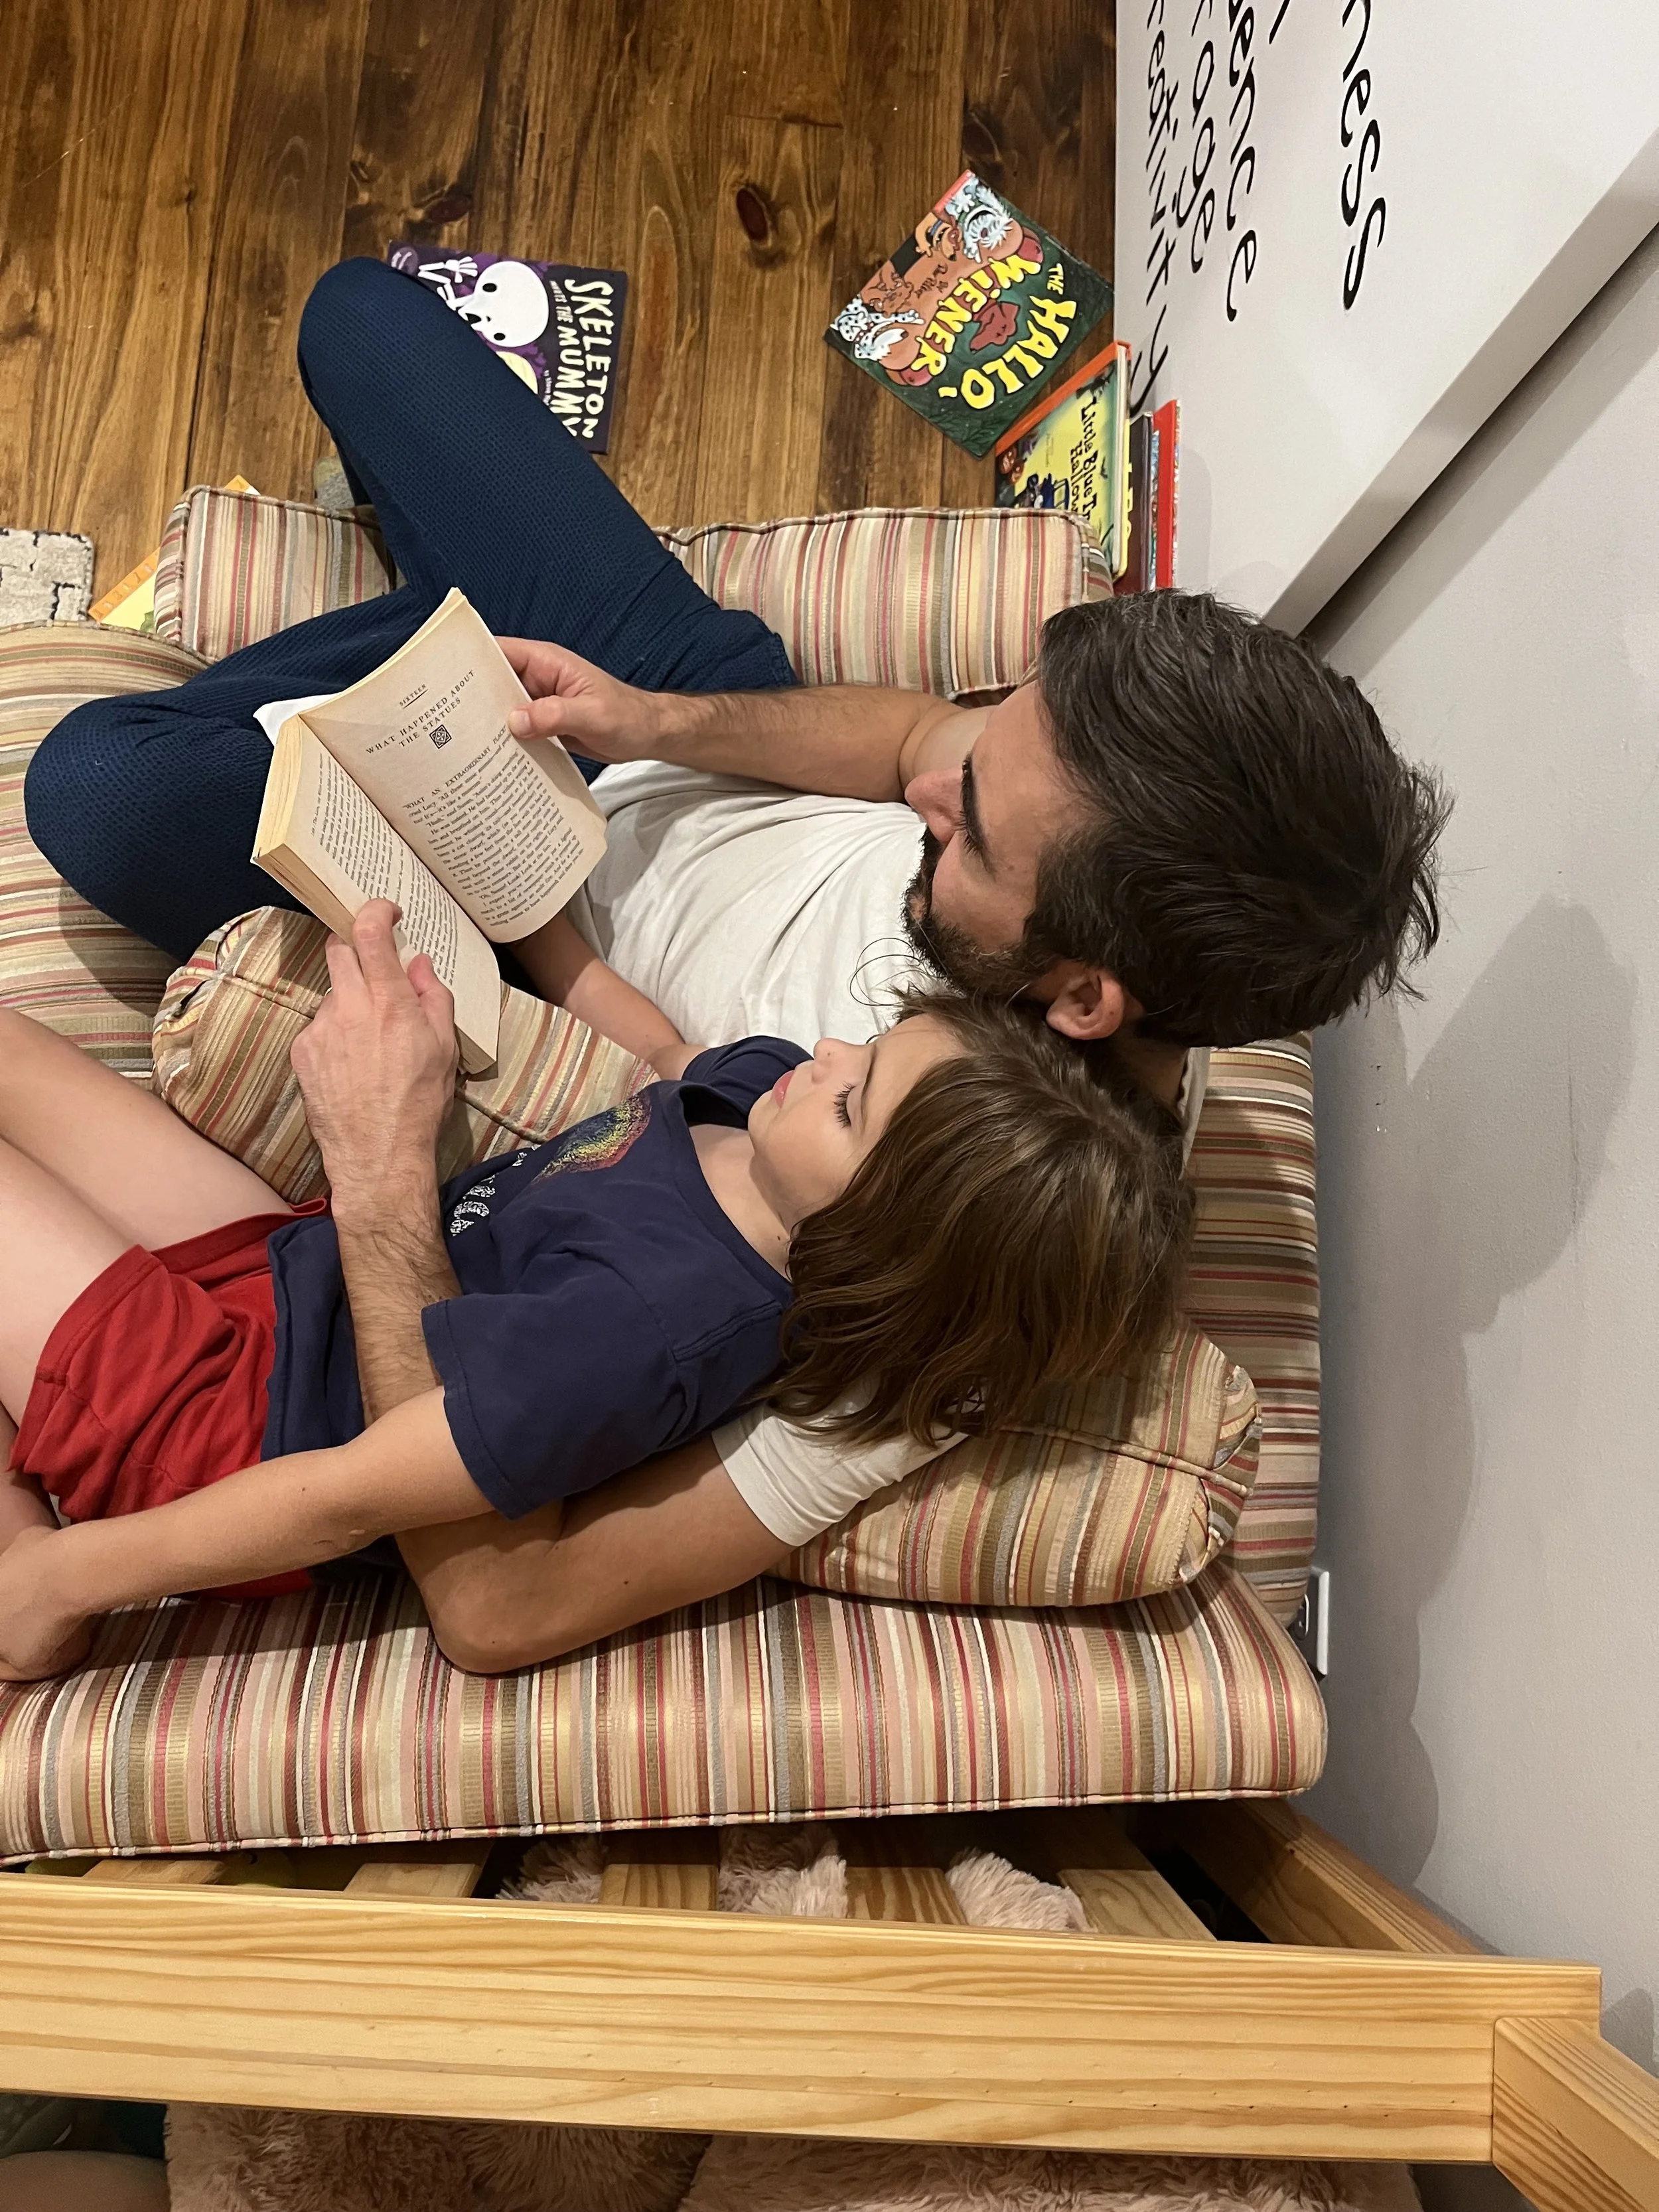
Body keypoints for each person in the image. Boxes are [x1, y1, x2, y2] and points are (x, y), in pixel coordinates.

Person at [21, 256, 1449, 1668]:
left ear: (1081, 996)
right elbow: (902, 744)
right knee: (354, 314)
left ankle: (402, 657)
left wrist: (390, 1167)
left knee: (99, 788)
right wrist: (656, 718)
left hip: (516, 904)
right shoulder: (1054, 805)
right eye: (993, 730)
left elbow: (501, 1608)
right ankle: (424, 656)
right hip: (675, 692)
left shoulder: (959, 1224)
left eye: (970, 834)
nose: (930, 794)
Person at [0, 901, 1191, 1682]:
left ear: (886, 1242)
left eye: (853, 1101)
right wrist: (535, 924)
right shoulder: (769, 1092)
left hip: (228, 1422)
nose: (824, 1060)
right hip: (283, 1275)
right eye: (865, 1047)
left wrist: (63, 1586)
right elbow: (668, 1053)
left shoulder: (652, 1324)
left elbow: (344, 1493)